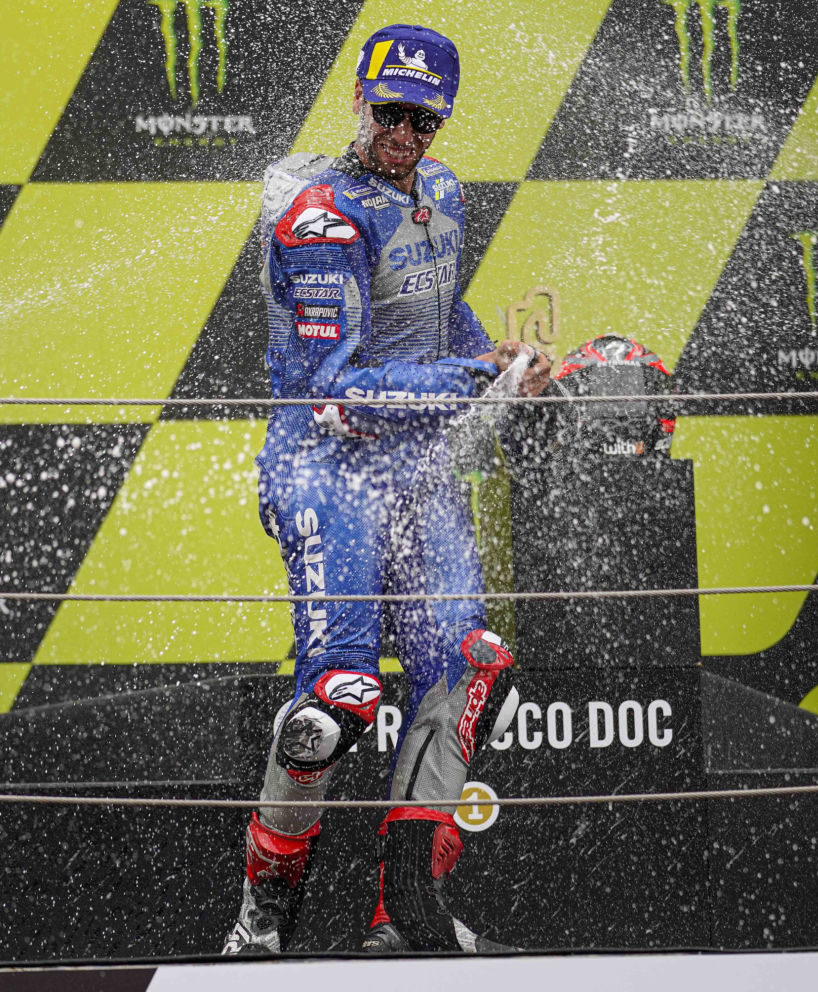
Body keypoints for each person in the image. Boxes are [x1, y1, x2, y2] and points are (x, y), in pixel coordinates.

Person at [223, 25, 550, 956]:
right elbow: (336, 386)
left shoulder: (443, 192)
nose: (404, 134)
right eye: (389, 113)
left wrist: (491, 353)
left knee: (470, 663)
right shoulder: (321, 220)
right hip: (326, 471)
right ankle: (262, 918)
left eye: (424, 119)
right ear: (359, 104)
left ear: (442, 120)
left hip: (417, 471)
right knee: (340, 697)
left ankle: (406, 912)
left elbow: (440, 315)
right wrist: (464, 382)